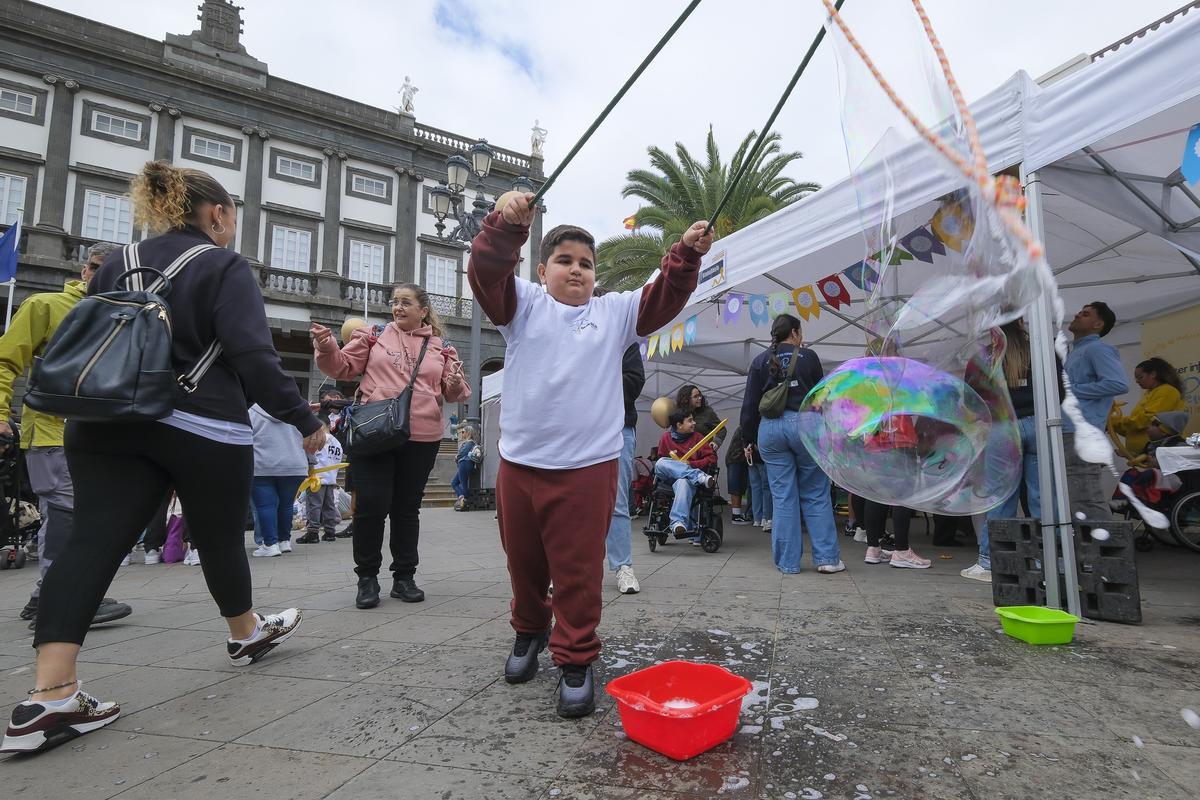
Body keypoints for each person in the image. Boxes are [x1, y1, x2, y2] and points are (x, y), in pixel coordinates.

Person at [2, 161, 323, 755]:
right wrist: (305, 419)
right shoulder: (224, 265)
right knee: (222, 536)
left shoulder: (116, 261)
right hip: (200, 422)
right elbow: (254, 356)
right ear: (217, 215)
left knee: (91, 541)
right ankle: (244, 632)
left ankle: (49, 696)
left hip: (104, 420)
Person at [468, 192, 708, 718]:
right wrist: (504, 226)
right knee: (523, 562)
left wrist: (684, 255)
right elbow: (485, 272)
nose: (576, 271)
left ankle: (575, 657)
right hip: (521, 464)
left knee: (577, 571)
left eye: (585, 264)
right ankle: (529, 630)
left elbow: (663, 298)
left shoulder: (615, 311)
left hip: (588, 467)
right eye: (564, 261)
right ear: (541, 268)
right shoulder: (522, 305)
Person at [312, 283, 470, 610]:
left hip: (422, 437)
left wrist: (454, 384)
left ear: (423, 310)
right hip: (374, 432)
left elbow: (456, 392)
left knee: (406, 508)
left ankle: (404, 577)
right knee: (371, 504)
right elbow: (340, 367)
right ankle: (367, 578)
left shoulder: (442, 347)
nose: (397, 308)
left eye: (406, 303)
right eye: (395, 302)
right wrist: (327, 346)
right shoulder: (374, 335)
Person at [0, 242, 132, 630]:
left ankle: (48, 594)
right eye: (96, 268)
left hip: (98, 436)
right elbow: (6, 359)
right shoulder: (45, 306)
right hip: (52, 433)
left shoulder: (122, 316)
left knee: (73, 515)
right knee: (70, 515)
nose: (101, 277)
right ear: (84, 271)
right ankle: (65, 597)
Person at [741, 314, 843, 575]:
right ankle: (827, 559)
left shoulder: (759, 361)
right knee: (815, 492)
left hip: (770, 430)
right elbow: (820, 398)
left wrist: (747, 439)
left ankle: (788, 563)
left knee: (783, 497)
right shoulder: (809, 357)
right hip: (805, 426)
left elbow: (750, 405)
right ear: (795, 333)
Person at [963, 319, 1039, 582]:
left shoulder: (983, 357)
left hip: (1001, 428)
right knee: (1042, 498)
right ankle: (1047, 561)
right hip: (1039, 424)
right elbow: (1060, 391)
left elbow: (969, 400)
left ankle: (989, 562)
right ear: (1021, 321)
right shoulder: (1041, 348)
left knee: (999, 497)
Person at [1063, 302, 1128, 521]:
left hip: (1082, 430)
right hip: (1069, 429)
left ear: (1098, 324)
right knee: (1076, 496)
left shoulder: (1098, 348)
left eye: (1085, 314)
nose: (1077, 315)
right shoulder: (1077, 351)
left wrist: (1073, 391)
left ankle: (1110, 551)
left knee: (1086, 497)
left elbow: (1118, 384)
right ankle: (1092, 551)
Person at [603, 335, 645, 595]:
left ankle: (623, 566)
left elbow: (634, 382)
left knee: (617, 500)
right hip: (579, 429)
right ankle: (568, 568)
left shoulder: (625, 342)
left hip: (619, 427)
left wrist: (595, 376)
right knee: (575, 502)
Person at [247, 404, 310, 556]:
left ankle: (270, 544)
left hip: (262, 465)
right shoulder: (297, 409)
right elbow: (310, 436)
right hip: (294, 464)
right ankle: (284, 541)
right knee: (286, 505)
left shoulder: (251, 412)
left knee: (265, 506)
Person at [654, 411, 719, 542]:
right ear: (679, 425)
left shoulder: (698, 437)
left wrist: (691, 463)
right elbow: (663, 461)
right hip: (669, 480)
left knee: (683, 481)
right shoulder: (665, 438)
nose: (694, 423)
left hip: (686, 482)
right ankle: (698, 476)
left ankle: (678, 523)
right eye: (690, 420)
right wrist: (686, 468)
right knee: (660, 462)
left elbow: (712, 458)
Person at [1110, 357, 1186, 457]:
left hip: (1155, 453)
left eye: (1140, 377)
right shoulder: (1150, 393)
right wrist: (1114, 425)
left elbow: (1146, 419)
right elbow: (1134, 427)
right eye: (1136, 378)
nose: (1137, 381)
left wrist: (1116, 422)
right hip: (1144, 455)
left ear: (1153, 374)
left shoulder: (1167, 391)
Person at [301, 423, 344, 542]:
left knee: (314, 505)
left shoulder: (318, 439)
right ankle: (330, 532)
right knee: (329, 507)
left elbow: (310, 453)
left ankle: (313, 532)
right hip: (331, 478)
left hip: (317, 478)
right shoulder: (336, 442)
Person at [676, 384, 727, 450]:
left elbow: (721, 429)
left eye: (700, 395)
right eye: (695, 396)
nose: (699, 398)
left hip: (705, 454)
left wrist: (716, 442)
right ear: (686, 399)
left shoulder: (707, 412)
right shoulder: (678, 414)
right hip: (685, 454)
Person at [726, 426, 751, 525]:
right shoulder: (746, 428)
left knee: (737, 487)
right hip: (736, 459)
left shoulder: (743, 426)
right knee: (737, 488)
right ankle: (736, 516)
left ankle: (737, 515)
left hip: (734, 458)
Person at [746, 441, 773, 532]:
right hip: (761, 455)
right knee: (766, 487)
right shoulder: (760, 426)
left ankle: (757, 518)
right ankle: (766, 517)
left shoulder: (744, 427)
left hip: (750, 455)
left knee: (755, 487)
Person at [451, 423, 478, 511]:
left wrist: (456, 457)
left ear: (468, 433)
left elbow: (462, 453)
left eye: (463, 432)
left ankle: (465, 503)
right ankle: (462, 498)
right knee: (454, 483)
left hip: (464, 463)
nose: (462, 433)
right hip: (464, 463)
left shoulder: (469, 443)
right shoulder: (468, 443)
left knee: (463, 484)